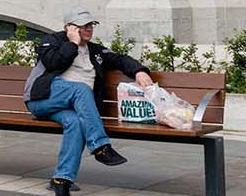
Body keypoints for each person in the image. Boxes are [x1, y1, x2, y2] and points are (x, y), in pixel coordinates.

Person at [23, 10, 154, 196]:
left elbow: (120, 59)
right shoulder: (51, 41)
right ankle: (100, 147)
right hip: (42, 100)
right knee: (81, 89)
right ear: (69, 28)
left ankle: (61, 180)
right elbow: (53, 63)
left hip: (71, 107)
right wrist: (73, 43)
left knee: (76, 123)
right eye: (83, 25)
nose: (89, 29)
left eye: (91, 25)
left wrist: (139, 71)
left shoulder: (95, 50)